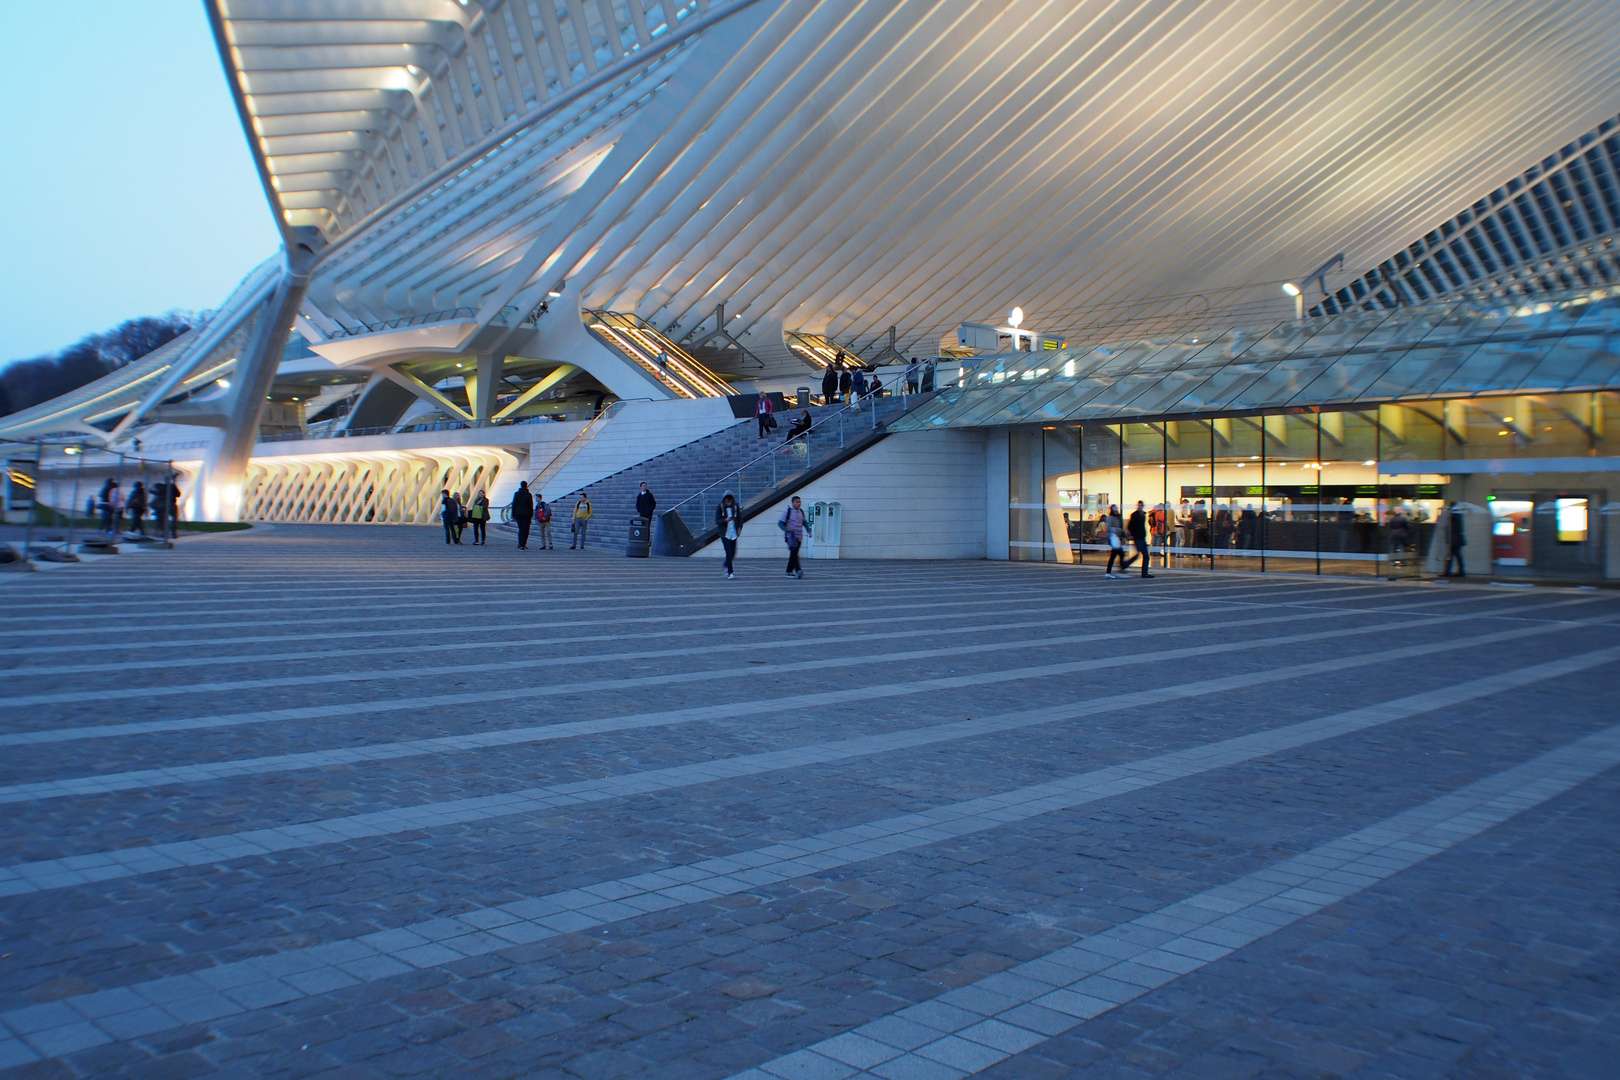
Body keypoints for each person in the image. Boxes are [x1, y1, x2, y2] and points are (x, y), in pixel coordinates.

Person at [779, 495, 809, 578]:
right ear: (793, 503)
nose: (799, 504)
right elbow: (780, 523)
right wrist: (786, 529)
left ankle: (789, 571)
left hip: (799, 536)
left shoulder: (801, 512)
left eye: (799, 502)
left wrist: (809, 531)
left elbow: (805, 522)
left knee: (794, 554)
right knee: (794, 552)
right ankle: (797, 570)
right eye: (797, 502)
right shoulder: (788, 511)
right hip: (790, 537)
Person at [716, 492, 742, 579]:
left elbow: (740, 518)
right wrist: (725, 520)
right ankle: (730, 572)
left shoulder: (735, 506)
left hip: (733, 532)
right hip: (725, 533)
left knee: (733, 553)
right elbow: (717, 521)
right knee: (729, 552)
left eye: (730, 502)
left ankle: (726, 564)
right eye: (727, 502)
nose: (729, 503)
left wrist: (739, 528)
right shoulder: (720, 507)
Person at [1127, 499, 1153, 578]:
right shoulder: (1134, 515)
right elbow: (1130, 526)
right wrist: (1133, 534)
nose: (1140, 507)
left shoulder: (1143, 514)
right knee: (1141, 555)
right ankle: (1125, 565)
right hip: (1138, 537)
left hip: (1141, 537)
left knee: (1144, 555)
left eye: (1141, 505)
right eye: (1139, 505)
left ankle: (1144, 572)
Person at [1443, 501, 1466, 577]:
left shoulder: (1454, 515)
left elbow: (1450, 526)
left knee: (1452, 555)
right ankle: (1460, 571)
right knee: (1457, 555)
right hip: (1457, 538)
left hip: (1454, 538)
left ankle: (1448, 571)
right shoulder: (1458, 514)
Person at [1104, 504, 1128, 577]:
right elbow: (1108, 528)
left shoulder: (1118, 517)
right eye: (1114, 508)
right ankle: (1118, 571)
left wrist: (1124, 534)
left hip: (1117, 538)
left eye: (1116, 508)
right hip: (1114, 538)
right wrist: (1119, 530)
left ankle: (1109, 572)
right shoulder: (1111, 518)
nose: (1116, 510)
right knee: (1119, 554)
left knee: (1116, 555)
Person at [512, 481, 534, 549]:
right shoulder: (528, 495)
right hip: (527, 515)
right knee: (526, 530)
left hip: (518, 514)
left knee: (520, 529)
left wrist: (513, 514)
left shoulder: (516, 494)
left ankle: (520, 543)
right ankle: (523, 544)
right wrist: (531, 514)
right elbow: (530, 505)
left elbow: (514, 504)